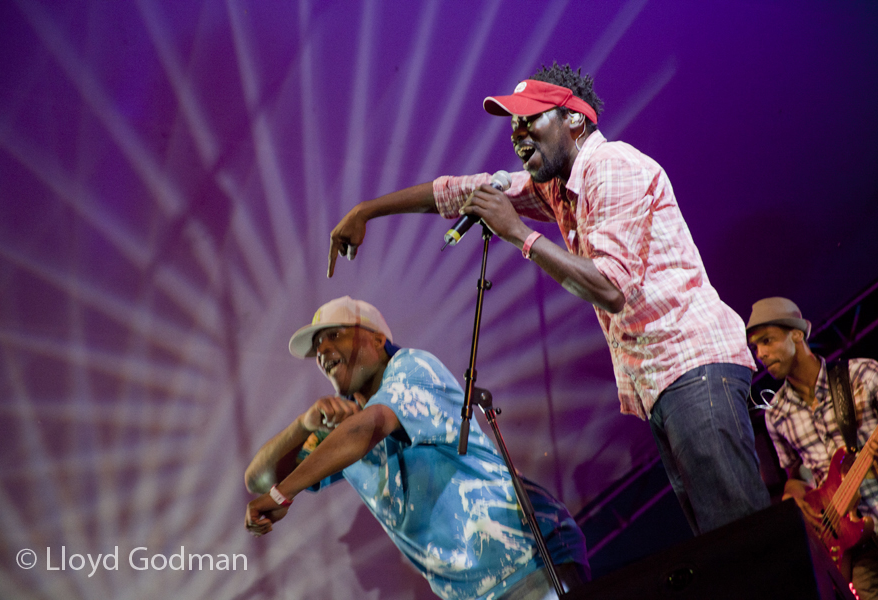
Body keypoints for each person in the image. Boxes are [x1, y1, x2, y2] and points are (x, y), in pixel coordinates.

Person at [327, 62, 770, 535]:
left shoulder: (611, 166)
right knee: (719, 541)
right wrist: (366, 211)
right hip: (665, 381)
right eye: (513, 125)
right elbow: (457, 192)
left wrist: (518, 234)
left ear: (574, 120)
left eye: (529, 120)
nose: (517, 135)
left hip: (693, 365)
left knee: (740, 537)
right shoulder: (559, 188)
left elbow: (611, 288)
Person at [244, 296, 590, 600]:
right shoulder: (339, 426)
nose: (322, 351)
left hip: (527, 560)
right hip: (474, 591)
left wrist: (281, 495)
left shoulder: (411, 367)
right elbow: (258, 479)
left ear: (378, 338)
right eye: (317, 346)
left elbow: (371, 426)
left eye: (334, 335)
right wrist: (303, 425)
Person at [747, 296, 878, 597]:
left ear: (796, 334)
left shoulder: (862, 375)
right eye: (756, 348)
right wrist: (794, 500)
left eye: (767, 341)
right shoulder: (776, 415)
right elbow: (797, 475)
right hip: (855, 545)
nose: (760, 355)